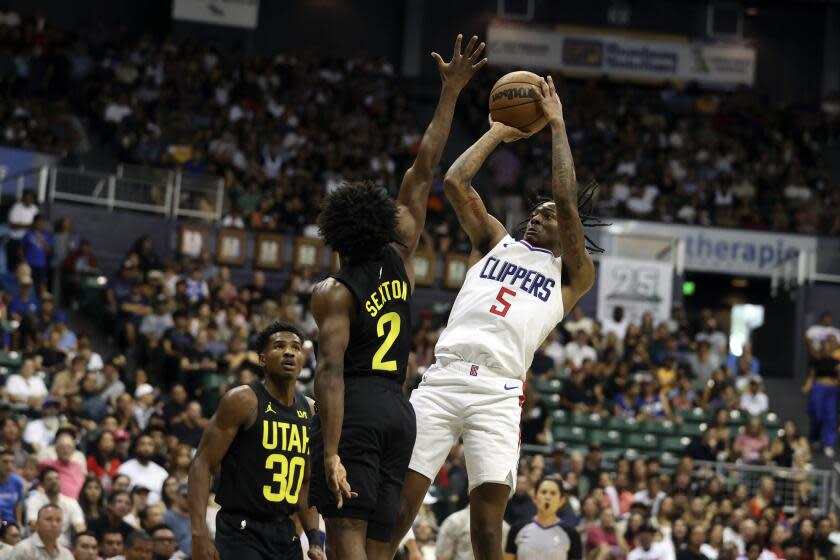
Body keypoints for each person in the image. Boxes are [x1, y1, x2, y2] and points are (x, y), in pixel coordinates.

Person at [389, 76, 599, 560]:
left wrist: (557, 124)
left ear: (568, 232)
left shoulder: (572, 275)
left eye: (547, 217)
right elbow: (455, 182)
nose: (538, 218)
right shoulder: (494, 240)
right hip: (443, 378)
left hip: (498, 392)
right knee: (400, 507)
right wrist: (499, 132)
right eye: (536, 212)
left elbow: (567, 202)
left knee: (487, 529)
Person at [308, 34, 487, 559]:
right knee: (381, 547)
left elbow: (331, 374)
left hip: (359, 408)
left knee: (345, 541)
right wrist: (451, 91)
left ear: (335, 235)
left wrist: (333, 451)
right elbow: (425, 164)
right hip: (399, 410)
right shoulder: (401, 252)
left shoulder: (333, 292)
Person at [188, 322, 324, 560]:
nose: (289, 352)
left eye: (296, 347)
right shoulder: (242, 400)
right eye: (279, 346)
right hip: (241, 530)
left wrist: (314, 539)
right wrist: (199, 533)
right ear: (262, 359)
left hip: (285, 532)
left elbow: (305, 482)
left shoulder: (311, 410)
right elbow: (202, 464)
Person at [504, 478, 582, 560]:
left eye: (553, 493)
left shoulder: (572, 535)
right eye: (543, 492)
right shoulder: (517, 529)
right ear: (535, 497)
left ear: (561, 500)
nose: (547, 497)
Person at [24, 467, 86, 547]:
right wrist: (52, 543)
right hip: (38, 544)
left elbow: (80, 527)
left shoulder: (71, 502)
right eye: (49, 479)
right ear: (42, 484)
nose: (54, 482)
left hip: (64, 547)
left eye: (57, 478)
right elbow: (33, 525)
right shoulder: (34, 500)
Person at [802, 336, 840, 457]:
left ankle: (828, 444)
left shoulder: (836, 362)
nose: (827, 348)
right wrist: (807, 387)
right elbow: (811, 377)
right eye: (825, 346)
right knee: (817, 415)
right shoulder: (816, 361)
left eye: (829, 346)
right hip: (818, 389)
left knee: (830, 417)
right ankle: (815, 439)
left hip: (832, 391)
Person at [116, 435, 168, 504]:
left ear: (154, 449)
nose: (146, 448)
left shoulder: (162, 472)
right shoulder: (125, 468)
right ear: (136, 448)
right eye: (142, 444)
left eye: (150, 445)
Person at [0, 446, 24, 525]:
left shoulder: (18, 482)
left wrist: (18, 522)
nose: (9, 465)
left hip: (9, 523)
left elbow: (18, 504)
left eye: (12, 462)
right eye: (5, 462)